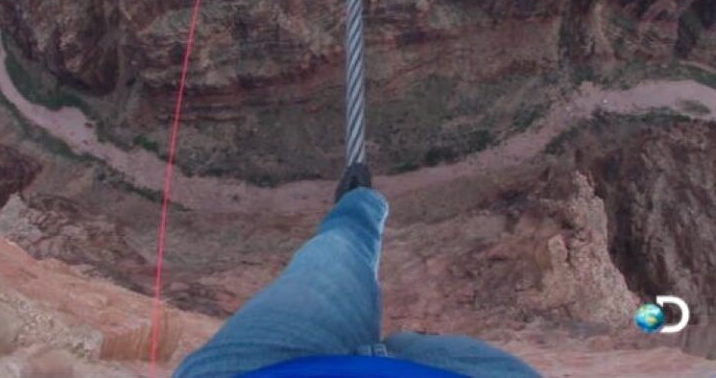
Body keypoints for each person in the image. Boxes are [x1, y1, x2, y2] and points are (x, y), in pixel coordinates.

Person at [175, 164, 540, 377]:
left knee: (335, 251)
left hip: (255, 369)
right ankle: (357, 209)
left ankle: (358, 205)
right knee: (336, 255)